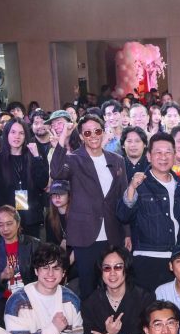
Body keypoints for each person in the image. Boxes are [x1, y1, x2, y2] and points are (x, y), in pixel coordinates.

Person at [50, 113, 129, 298]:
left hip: (113, 233)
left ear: (103, 133)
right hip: (85, 235)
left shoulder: (117, 160)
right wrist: (64, 136)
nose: (93, 136)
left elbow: (123, 199)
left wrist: (127, 232)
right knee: (88, 289)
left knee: (114, 287)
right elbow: (56, 172)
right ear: (81, 136)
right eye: (87, 133)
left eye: (97, 131)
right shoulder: (73, 159)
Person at [117, 132, 180, 291]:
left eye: (168, 152)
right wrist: (132, 188)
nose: (163, 157)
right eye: (158, 152)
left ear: (174, 155)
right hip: (147, 258)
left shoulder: (179, 184)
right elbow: (123, 215)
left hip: (175, 258)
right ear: (149, 156)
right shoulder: (139, 182)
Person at [0, 118, 48, 240]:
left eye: (21, 133)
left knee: (32, 249)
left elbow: (43, 183)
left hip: (31, 217)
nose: (17, 136)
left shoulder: (33, 155)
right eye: (13, 132)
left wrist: (37, 157)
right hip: (6, 218)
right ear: (6, 134)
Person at [0, 205, 40, 328]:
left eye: (9, 224)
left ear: (18, 223)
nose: (5, 229)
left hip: (30, 296)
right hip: (3, 299)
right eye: (0, 225)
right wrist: (1, 276)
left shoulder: (34, 244)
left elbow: (41, 274)